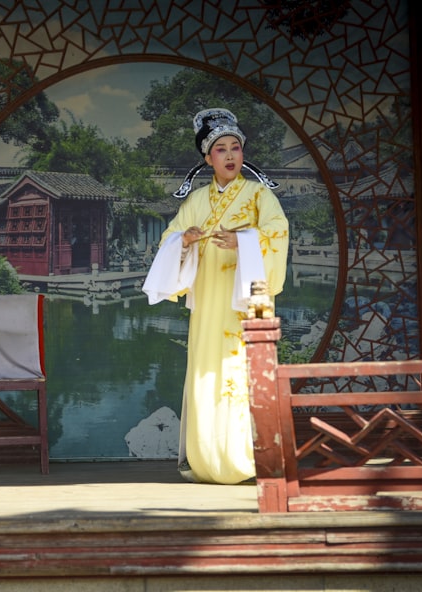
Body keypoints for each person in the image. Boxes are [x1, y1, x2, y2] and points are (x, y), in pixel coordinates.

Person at [146, 108, 289, 485]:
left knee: (246, 372)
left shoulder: (259, 195)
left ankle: (250, 458)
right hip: (210, 302)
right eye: (221, 149)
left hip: (250, 299)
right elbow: (169, 239)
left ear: (243, 154)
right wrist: (185, 241)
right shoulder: (195, 201)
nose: (229, 155)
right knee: (207, 374)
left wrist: (244, 241)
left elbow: (278, 231)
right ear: (208, 158)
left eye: (235, 148)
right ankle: (207, 458)